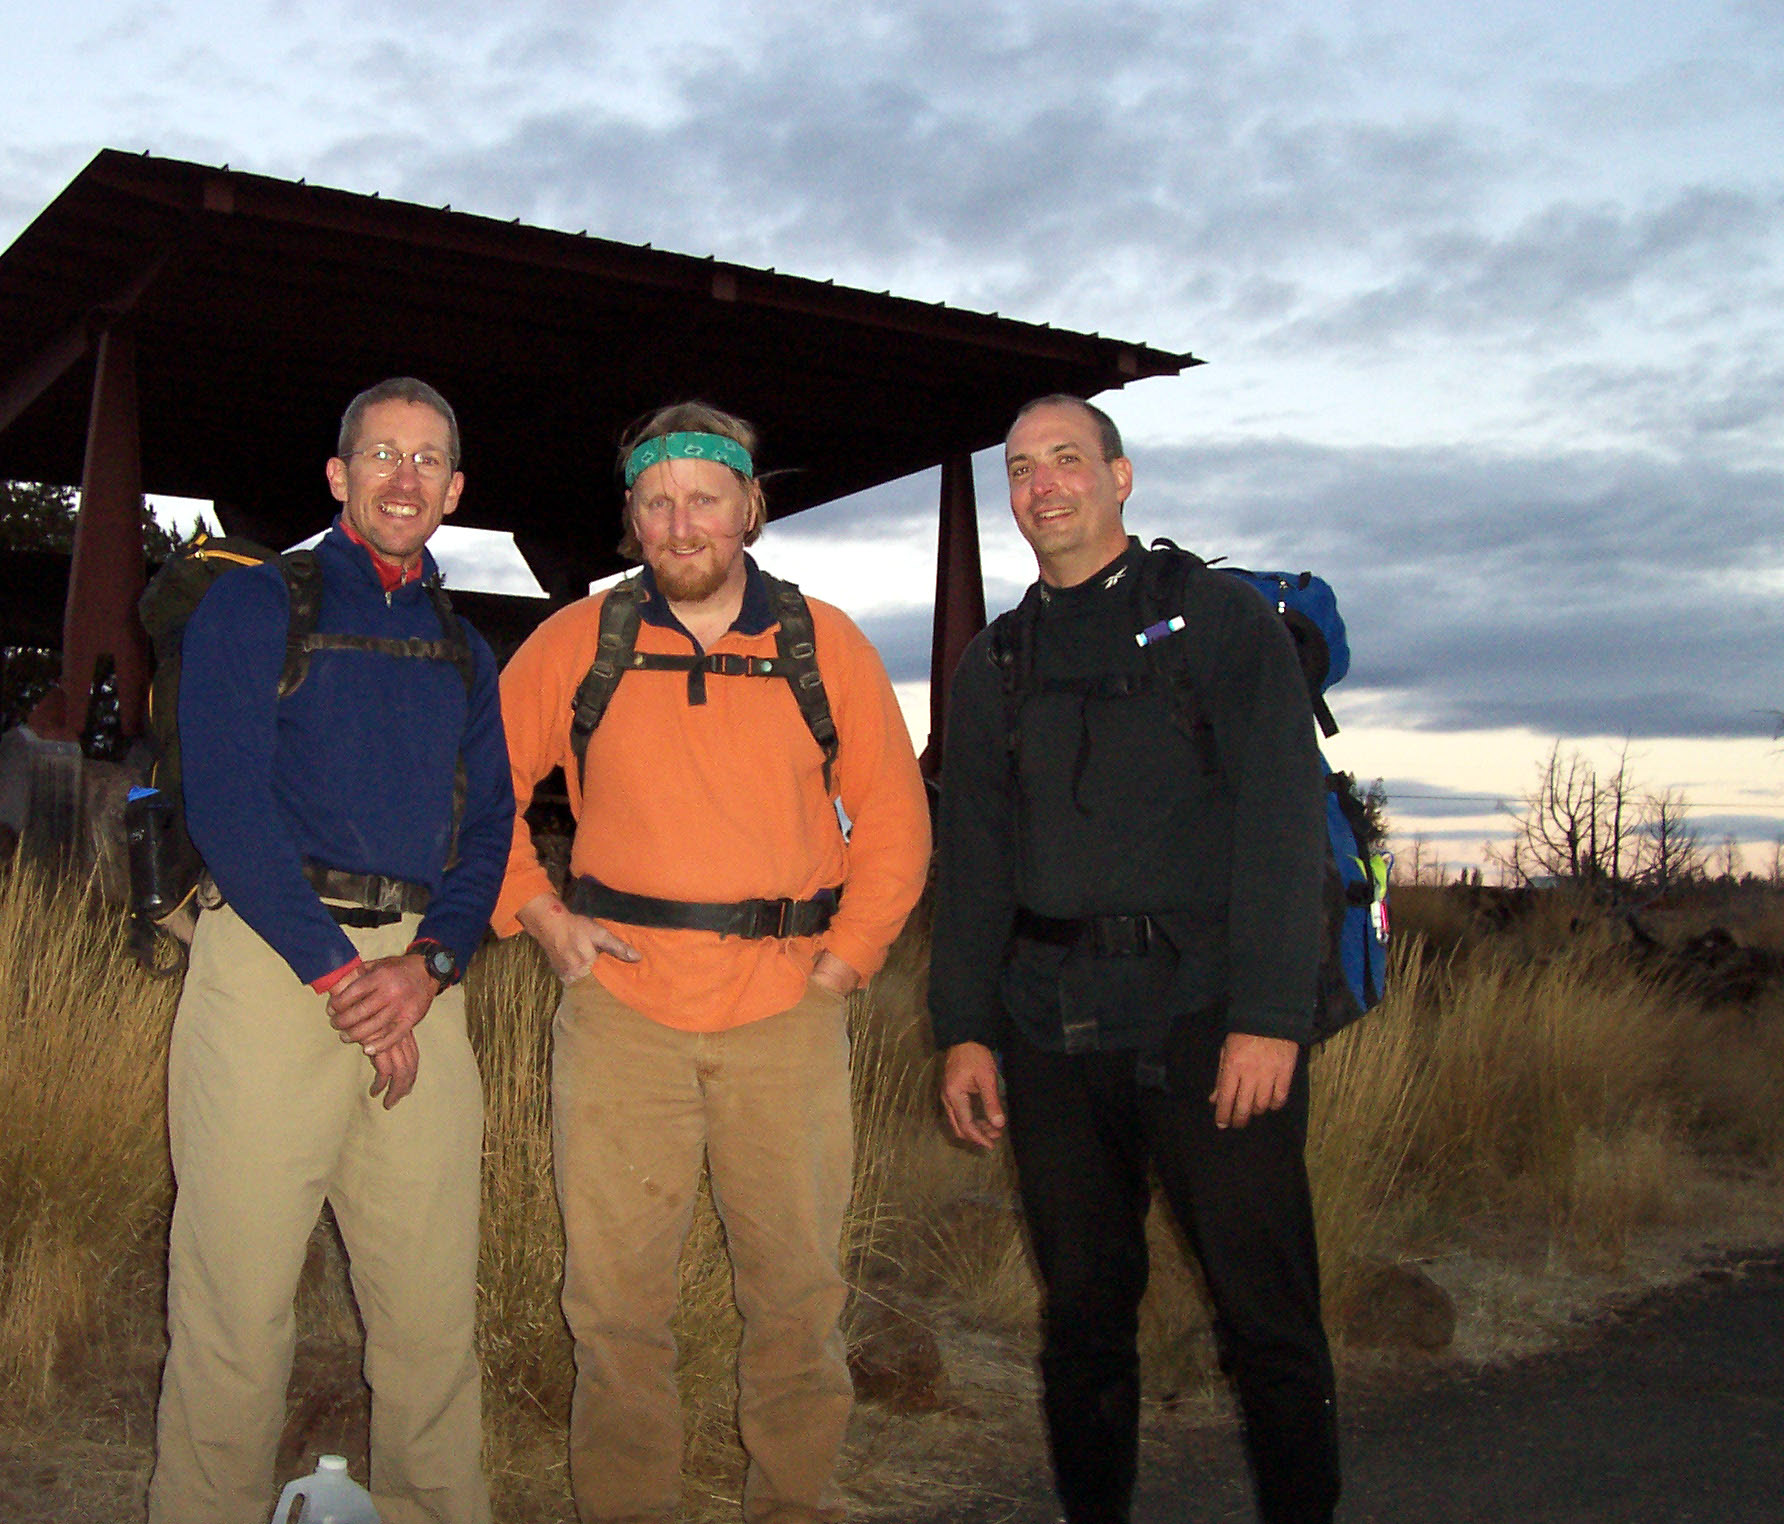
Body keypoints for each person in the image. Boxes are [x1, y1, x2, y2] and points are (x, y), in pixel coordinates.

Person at [493, 402, 930, 1524]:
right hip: (620, 1017)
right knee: (616, 1313)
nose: (681, 522)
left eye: (705, 497)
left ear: (751, 509)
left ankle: (789, 1506)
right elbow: (470, 793)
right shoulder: (578, 640)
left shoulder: (820, 643)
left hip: (786, 1014)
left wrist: (844, 965)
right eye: (657, 499)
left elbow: (893, 820)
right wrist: (542, 917)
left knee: (795, 1303)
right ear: (631, 515)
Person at [929, 395, 1340, 1524]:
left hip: (1211, 1018)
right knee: (1084, 1314)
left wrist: (1270, 1016)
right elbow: (972, 863)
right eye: (1019, 470)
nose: (1041, 487)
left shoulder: (1216, 624)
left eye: (1066, 460)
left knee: (1266, 1316)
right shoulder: (994, 666)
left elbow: (1279, 822)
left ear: (1120, 476)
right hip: (1050, 1028)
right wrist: (962, 1026)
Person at [147, 377, 513, 1524]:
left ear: (453, 490)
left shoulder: (465, 648)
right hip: (271, 960)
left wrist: (432, 966)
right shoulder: (256, 609)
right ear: (338, 475)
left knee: (429, 1318)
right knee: (234, 1309)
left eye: (427, 462)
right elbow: (228, 809)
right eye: (380, 455)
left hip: (418, 981)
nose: (403, 479)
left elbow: (493, 826)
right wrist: (341, 975)